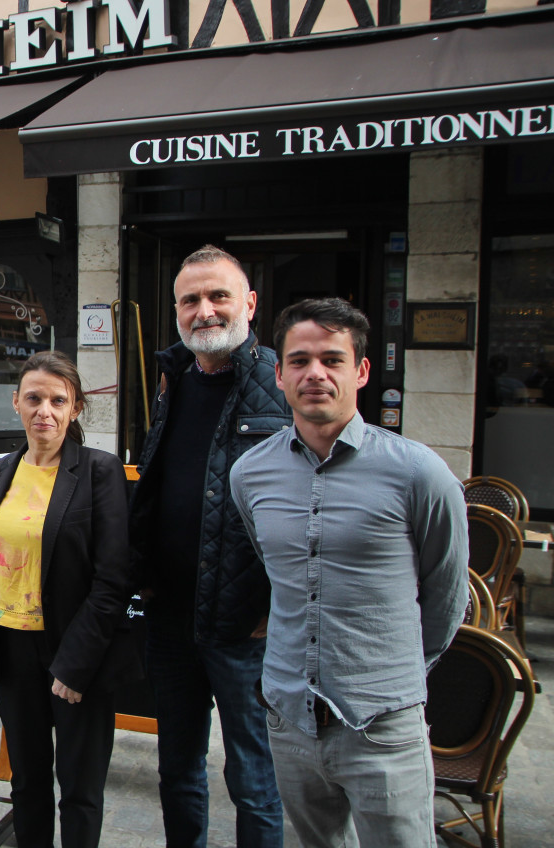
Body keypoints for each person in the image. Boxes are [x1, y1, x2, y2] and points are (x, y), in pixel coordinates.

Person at [230, 298, 468, 847]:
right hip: (290, 719)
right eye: (301, 360)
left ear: (360, 371)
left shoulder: (419, 473)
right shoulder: (251, 474)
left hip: (382, 725)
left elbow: (446, 595)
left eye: (333, 359)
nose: (315, 373)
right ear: (279, 372)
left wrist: (392, 677)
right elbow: (278, 571)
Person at [128, 245, 288, 848]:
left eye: (218, 295)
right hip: (170, 618)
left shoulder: (281, 383)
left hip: (246, 625)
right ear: (175, 310)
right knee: (178, 770)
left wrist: (277, 607)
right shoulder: (173, 382)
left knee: (253, 778)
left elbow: (310, 504)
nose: (205, 310)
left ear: (248, 303)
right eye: (190, 299)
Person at [0, 350, 137, 848]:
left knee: (80, 791)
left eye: (58, 400)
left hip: (73, 654)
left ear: (76, 408)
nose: (45, 410)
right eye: (34, 398)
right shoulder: (6, 470)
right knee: (27, 784)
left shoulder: (100, 472)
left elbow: (113, 578)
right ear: (15, 402)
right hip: (13, 650)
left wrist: (75, 665)